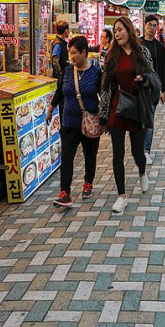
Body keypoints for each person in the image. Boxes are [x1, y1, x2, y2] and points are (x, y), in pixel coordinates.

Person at [99, 16, 154, 213]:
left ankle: (141, 171)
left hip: (137, 108)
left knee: (137, 153)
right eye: (115, 30)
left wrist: (143, 79)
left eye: (121, 29)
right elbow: (105, 87)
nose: (117, 33)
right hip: (117, 108)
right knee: (117, 153)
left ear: (129, 30)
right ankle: (121, 196)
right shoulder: (111, 55)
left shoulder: (142, 53)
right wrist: (103, 116)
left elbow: (152, 76)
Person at [46, 36, 101, 207]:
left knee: (89, 154)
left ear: (84, 53)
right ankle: (65, 193)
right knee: (67, 157)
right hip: (69, 122)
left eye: (75, 53)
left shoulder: (96, 73)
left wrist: (105, 120)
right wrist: (51, 109)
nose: (72, 57)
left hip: (89, 121)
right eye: (70, 53)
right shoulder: (68, 71)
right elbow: (60, 91)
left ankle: (88, 184)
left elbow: (104, 97)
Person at [140, 14, 165, 165]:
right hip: (138, 88)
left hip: (153, 89)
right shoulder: (137, 43)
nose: (152, 28)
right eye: (149, 25)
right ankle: (139, 147)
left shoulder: (159, 46)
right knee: (139, 120)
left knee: (149, 119)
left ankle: (146, 150)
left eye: (154, 25)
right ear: (144, 25)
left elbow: (163, 69)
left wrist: (164, 90)